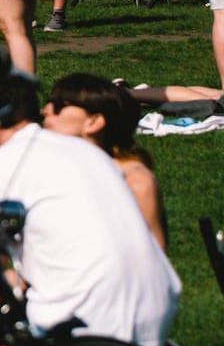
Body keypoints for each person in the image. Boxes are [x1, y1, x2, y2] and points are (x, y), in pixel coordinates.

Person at [0, 69, 181, 346]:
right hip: (156, 304)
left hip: (88, 315)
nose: (46, 112)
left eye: (59, 106)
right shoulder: (92, 157)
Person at [41, 75, 166, 252]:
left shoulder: (133, 181)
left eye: (59, 106)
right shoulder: (54, 169)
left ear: (93, 122)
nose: (45, 111)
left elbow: (152, 257)